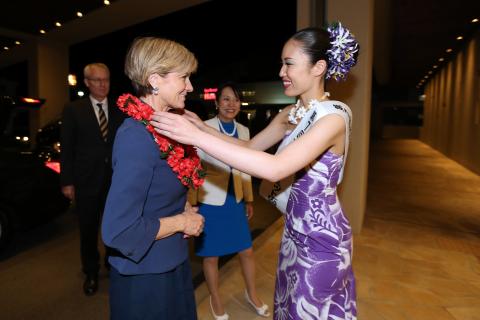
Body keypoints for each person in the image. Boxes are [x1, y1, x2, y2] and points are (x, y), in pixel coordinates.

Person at [151, 23, 359, 320]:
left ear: (319, 67)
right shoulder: (292, 114)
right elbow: (249, 147)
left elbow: (275, 168)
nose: (281, 72)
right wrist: (199, 126)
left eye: (289, 64)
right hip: (293, 231)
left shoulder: (332, 119)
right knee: (288, 307)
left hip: (322, 239)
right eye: (281, 64)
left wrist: (196, 138)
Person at [101, 36, 205, 320]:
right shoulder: (136, 135)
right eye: (184, 77)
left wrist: (181, 207)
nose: (190, 86)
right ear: (155, 80)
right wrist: (182, 222)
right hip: (145, 280)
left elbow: (157, 189)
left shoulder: (165, 125)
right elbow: (119, 230)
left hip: (171, 263)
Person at [188, 82, 269, 319]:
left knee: (247, 251)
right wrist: (192, 204)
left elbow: (246, 168)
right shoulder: (204, 128)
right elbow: (194, 168)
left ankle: (251, 294)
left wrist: (248, 199)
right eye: (225, 99)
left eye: (234, 99)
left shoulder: (244, 131)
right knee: (211, 256)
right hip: (210, 200)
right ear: (216, 103)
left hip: (236, 200)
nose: (231, 104)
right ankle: (214, 298)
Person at [60, 62, 126, 296]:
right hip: (86, 181)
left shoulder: (120, 109)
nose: (102, 84)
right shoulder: (73, 109)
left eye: (106, 79)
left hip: (115, 182)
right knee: (88, 229)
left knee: (114, 225)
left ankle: (112, 261)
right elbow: (67, 148)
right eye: (97, 80)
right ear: (87, 82)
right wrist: (67, 182)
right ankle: (90, 271)